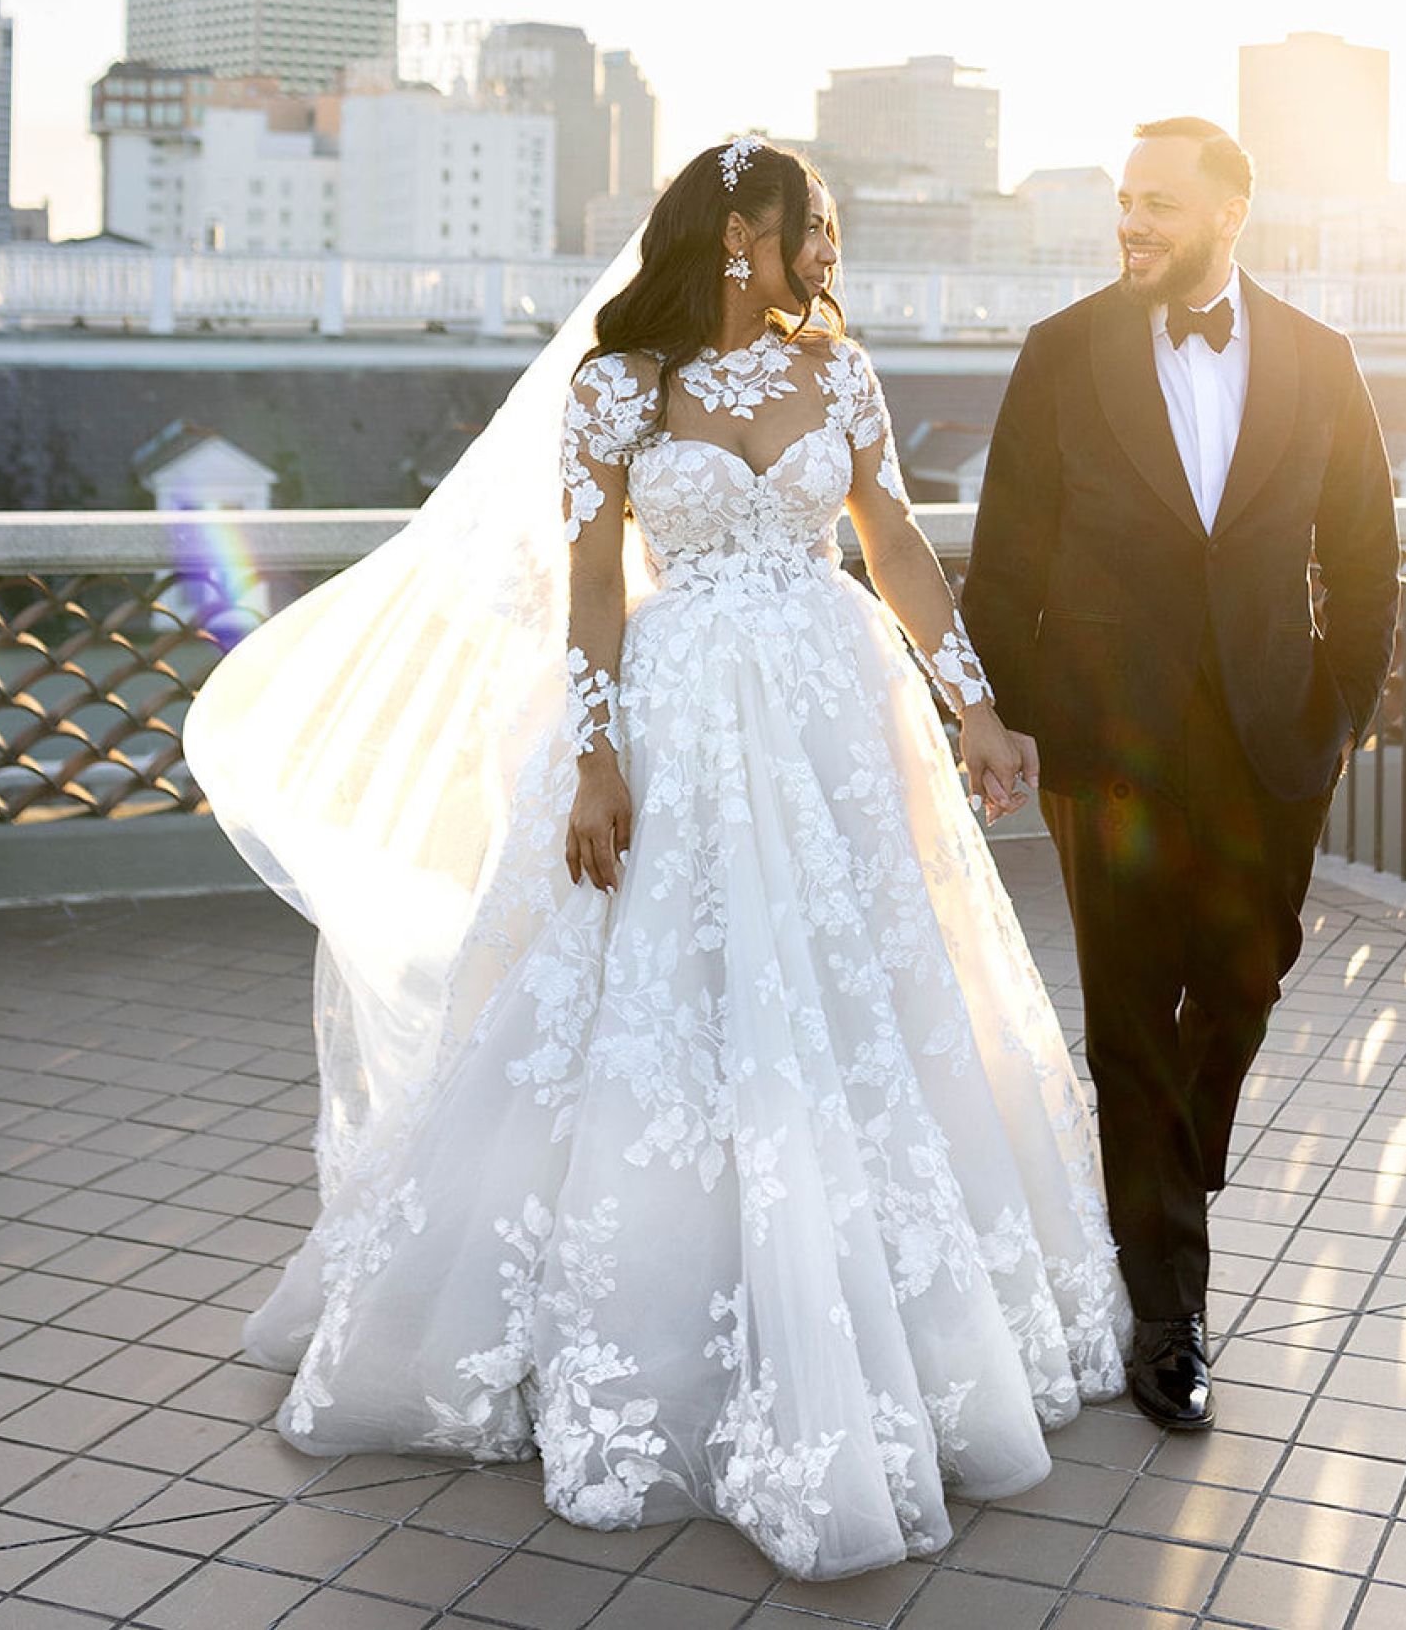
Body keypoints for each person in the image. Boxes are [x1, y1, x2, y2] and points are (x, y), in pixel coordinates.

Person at [184, 139, 1126, 1582]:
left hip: (833, 711)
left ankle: (893, 1313)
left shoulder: (844, 373)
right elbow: (589, 585)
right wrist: (601, 753)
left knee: (859, 996)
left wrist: (976, 705)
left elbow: (899, 545)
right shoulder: (615, 385)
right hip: (678, 720)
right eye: (807, 223)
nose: (827, 243)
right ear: (737, 230)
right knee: (665, 1006)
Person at [963, 117, 1399, 1435]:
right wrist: (1008, 717)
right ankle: (1169, 1313)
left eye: (1158, 203)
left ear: (1228, 214)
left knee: (1249, 977)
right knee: (1132, 1015)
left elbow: (1369, 554)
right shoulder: (1061, 354)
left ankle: (1164, 1178)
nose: (1132, 225)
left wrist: (1337, 717)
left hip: (1273, 744)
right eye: (1125, 202)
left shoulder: (1323, 362)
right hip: (1112, 752)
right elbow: (1007, 556)